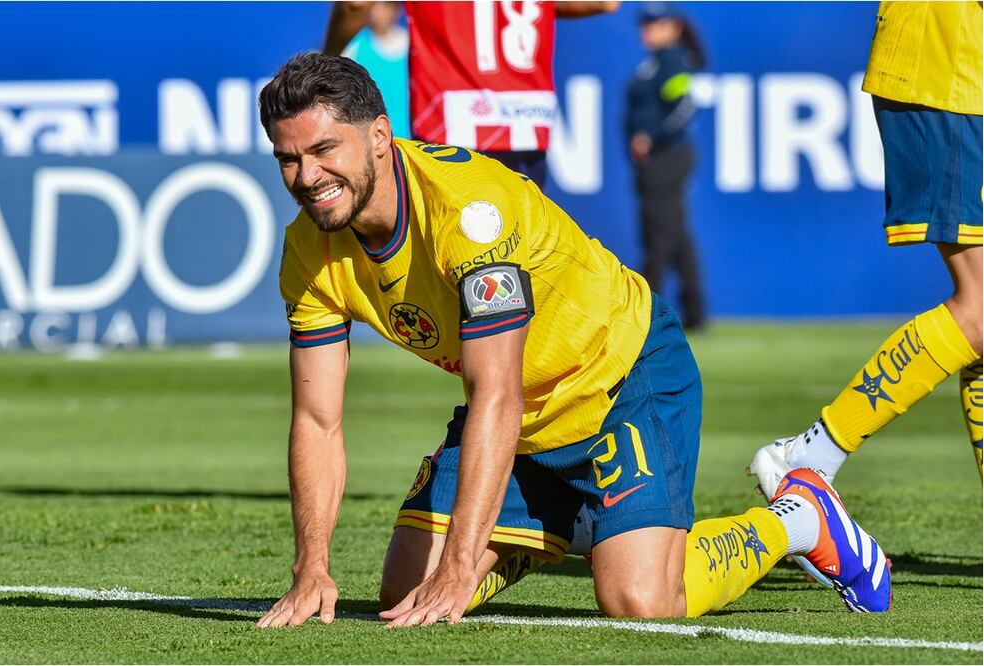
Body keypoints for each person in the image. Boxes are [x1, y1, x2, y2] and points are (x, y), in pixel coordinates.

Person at [253, 52, 890, 629]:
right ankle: (572, 520)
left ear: (379, 136)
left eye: (325, 150)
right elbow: (317, 420)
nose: (308, 176)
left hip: (619, 374)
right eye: (289, 158)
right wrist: (311, 568)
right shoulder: (307, 250)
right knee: (404, 592)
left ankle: (797, 517)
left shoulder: (472, 214)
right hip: (522, 417)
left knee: (640, 600)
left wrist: (461, 564)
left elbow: (496, 393)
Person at [748, 0, 982, 584]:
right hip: (946, 70)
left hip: (960, 68)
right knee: (981, 307)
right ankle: (811, 453)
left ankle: (814, 452)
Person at [324, 1, 621, 189]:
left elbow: (355, 4)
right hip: (527, 122)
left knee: (456, 256)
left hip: (454, 125)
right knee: (520, 251)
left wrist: (327, 59)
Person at [626, 2, 706, 330]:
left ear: (674, 27)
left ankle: (648, 311)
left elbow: (684, 106)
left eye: (656, 24)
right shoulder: (654, 62)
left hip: (668, 156)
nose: (647, 30)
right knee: (674, 233)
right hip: (658, 160)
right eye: (645, 24)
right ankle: (694, 310)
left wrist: (653, 136)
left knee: (658, 233)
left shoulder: (672, 60)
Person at [341, 1, 411, 139]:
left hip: (408, 137)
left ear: (396, 9)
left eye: (384, 5)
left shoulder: (410, 44)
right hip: (374, 137)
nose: (377, 12)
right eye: (373, 5)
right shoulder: (354, 46)